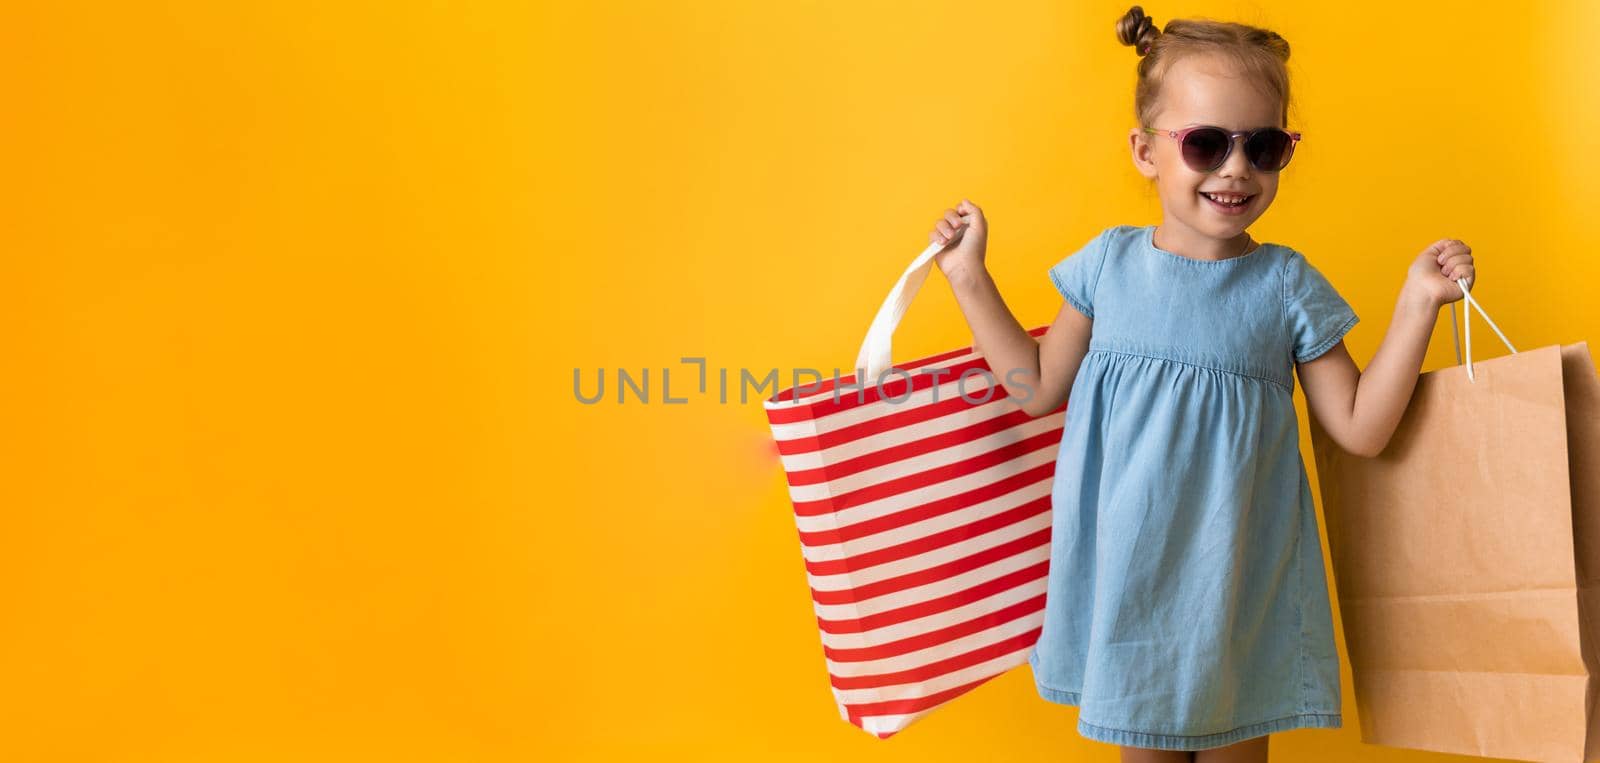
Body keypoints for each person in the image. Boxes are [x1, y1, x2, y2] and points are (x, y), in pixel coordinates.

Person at [925, 6, 1477, 763]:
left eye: (1265, 146)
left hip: (1238, 588)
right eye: (1207, 144)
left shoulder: (1285, 284)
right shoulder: (1107, 266)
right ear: (1146, 151)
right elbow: (1035, 386)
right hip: (1130, 586)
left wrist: (1417, 304)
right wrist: (968, 277)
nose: (1236, 169)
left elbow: (1359, 427)